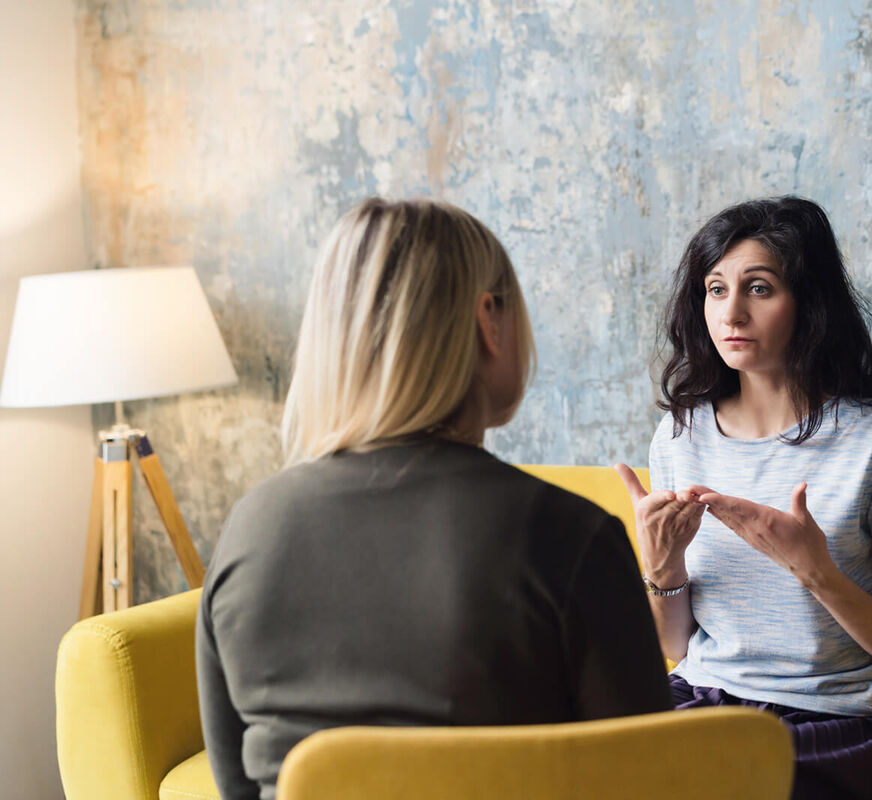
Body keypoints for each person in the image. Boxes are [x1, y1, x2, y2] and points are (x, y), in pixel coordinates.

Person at [197, 198, 673, 800]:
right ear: (488, 322)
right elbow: (651, 780)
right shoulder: (568, 535)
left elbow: (236, 784)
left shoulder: (250, 527)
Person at [616, 196, 872, 800]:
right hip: (706, 700)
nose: (732, 312)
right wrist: (662, 565)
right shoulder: (679, 436)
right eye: (715, 289)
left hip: (844, 721)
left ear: (809, 302)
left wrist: (816, 570)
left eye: (759, 289)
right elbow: (672, 645)